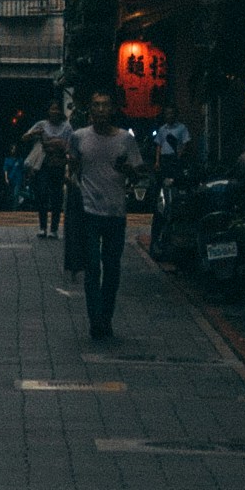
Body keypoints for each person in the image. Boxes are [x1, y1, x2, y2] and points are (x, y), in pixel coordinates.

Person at [32, 94, 147, 341]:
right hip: (88, 211)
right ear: (90, 109)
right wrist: (71, 179)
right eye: (96, 105)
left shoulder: (125, 139)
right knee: (93, 266)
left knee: (112, 267)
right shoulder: (79, 137)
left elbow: (138, 174)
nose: (101, 109)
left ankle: (106, 317)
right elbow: (71, 166)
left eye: (106, 105)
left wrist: (125, 169)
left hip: (116, 212)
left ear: (112, 109)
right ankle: (96, 321)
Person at [25, 119, 66, 243]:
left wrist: (57, 144)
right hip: (43, 165)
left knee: (56, 197)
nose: (54, 112)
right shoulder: (42, 125)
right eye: (52, 109)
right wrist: (34, 133)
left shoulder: (66, 127)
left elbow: (69, 144)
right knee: (42, 195)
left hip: (58, 165)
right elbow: (25, 137)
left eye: (56, 108)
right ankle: (43, 227)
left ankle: (53, 229)